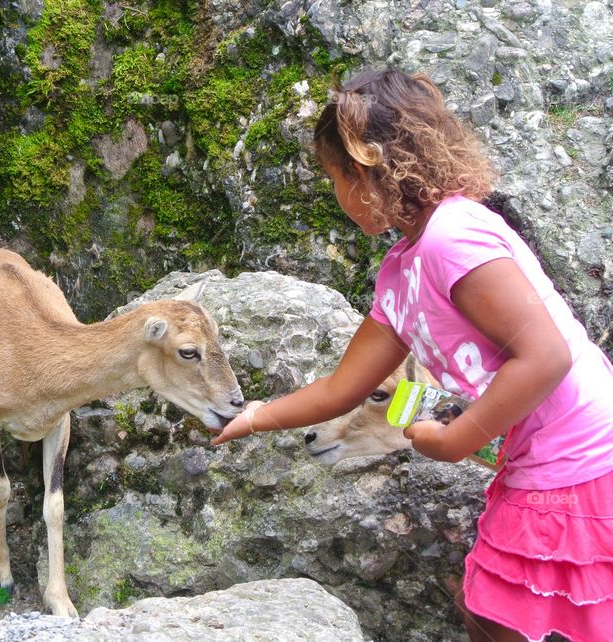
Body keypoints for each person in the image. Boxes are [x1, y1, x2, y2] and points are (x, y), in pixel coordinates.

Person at [211, 69, 613, 642]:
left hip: (583, 450)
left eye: (333, 177)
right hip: (543, 455)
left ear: (366, 171)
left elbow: (546, 356)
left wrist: (457, 438)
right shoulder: (402, 272)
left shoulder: (456, 236)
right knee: (497, 613)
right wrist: (254, 417)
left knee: (501, 615)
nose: (335, 195)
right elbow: (343, 388)